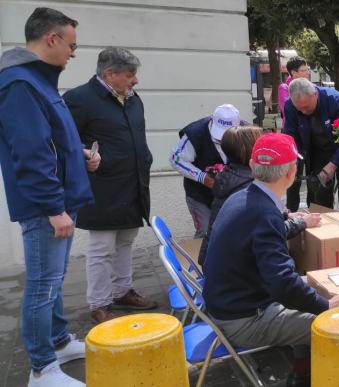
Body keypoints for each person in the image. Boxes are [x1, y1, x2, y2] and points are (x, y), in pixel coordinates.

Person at [203, 133, 339, 382]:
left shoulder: (243, 197)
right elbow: (283, 284)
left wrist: (299, 223)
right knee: (336, 322)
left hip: (228, 303)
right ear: (291, 173)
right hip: (244, 319)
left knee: (310, 293)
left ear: (252, 166)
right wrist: (327, 306)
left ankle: (302, 372)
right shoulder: (263, 211)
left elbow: (270, 234)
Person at [0, 7, 91, 386]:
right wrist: (54, 208)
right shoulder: (20, 83)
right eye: (71, 45)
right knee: (41, 285)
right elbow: (31, 153)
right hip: (45, 207)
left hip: (57, 201)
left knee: (52, 281)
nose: (73, 52)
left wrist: (81, 154)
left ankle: (57, 342)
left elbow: (51, 138)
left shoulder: (38, 81)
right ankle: (42, 369)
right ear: (51, 38)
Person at [63, 47, 157, 323]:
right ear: (109, 74)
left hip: (133, 183)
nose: (135, 81)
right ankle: (100, 304)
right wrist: (84, 152)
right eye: (130, 74)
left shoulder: (131, 98)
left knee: (126, 241)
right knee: (102, 248)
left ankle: (122, 291)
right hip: (102, 186)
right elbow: (63, 139)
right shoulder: (79, 99)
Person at [197, 125, 319, 265]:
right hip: (231, 269)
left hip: (215, 261)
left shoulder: (231, 176)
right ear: (250, 152)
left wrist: (286, 215)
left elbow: (255, 223)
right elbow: (269, 232)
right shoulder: (247, 188)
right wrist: (301, 223)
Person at [283, 78, 339, 212]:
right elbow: (291, 137)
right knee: (320, 200)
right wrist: (294, 160)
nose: (303, 112)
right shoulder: (290, 106)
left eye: (306, 107)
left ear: (315, 94)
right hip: (316, 152)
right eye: (299, 109)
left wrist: (333, 164)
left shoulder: (335, 100)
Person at [169, 104, 241, 238]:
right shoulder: (195, 133)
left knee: (232, 232)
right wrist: (202, 177)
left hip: (231, 194)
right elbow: (176, 158)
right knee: (205, 232)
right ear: (212, 121)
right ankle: (201, 258)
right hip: (199, 195)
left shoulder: (246, 133)